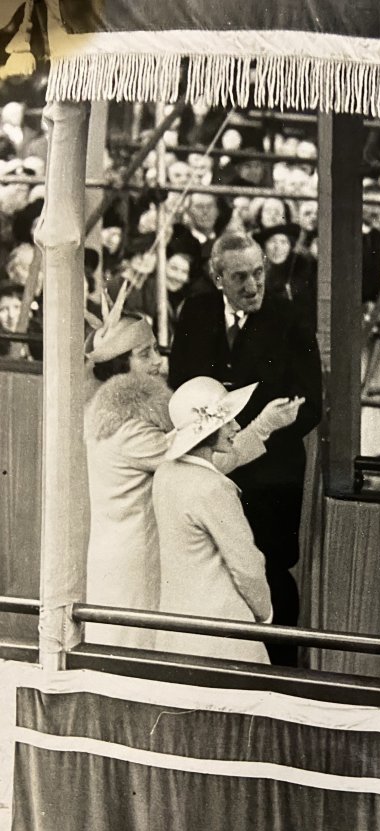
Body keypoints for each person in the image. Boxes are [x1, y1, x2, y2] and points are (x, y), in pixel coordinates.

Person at [83, 292, 301, 647]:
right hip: (135, 561)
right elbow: (205, 461)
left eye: (155, 349)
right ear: (121, 367)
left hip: (135, 554)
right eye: (145, 354)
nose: (158, 361)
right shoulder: (130, 431)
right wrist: (261, 426)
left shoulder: (119, 420)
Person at [168, 232, 323, 665]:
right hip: (208, 469)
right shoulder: (196, 312)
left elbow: (312, 404)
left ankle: (280, 668)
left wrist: (262, 429)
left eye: (259, 273)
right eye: (240, 277)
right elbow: (180, 384)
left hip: (274, 475)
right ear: (217, 277)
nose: (253, 286)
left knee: (271, 568)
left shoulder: (290, 318)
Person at [152, 377, 275, 663]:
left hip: (177, 629)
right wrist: (265, 614)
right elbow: (247, 566)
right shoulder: (214, 488)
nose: (237, 427)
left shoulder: (165, 474)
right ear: (207, 430)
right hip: (221, 632)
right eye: (228, 420)